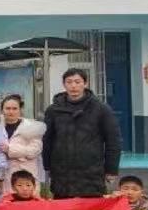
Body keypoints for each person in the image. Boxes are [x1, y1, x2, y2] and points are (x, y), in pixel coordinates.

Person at [43, 68, 122, 199]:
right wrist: (47, 165)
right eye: (69, 82)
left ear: (85, 84)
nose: (73, 86)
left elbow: (113, 141)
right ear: (64, 84)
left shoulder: (101, 109)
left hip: (91, 172)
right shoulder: (54, 110)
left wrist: (111, 169)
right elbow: (47, 140)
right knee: (64, 209)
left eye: (77, 82)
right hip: (62, 173)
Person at [0, 94, 46, 195]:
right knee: (7, 201)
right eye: (8, 108)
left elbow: (34, 151)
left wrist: (10, 150)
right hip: (4, 176)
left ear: (20, 110)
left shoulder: (32, 127)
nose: (11, 111)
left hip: (26, 175)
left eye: (14, 108)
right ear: (2, 110)